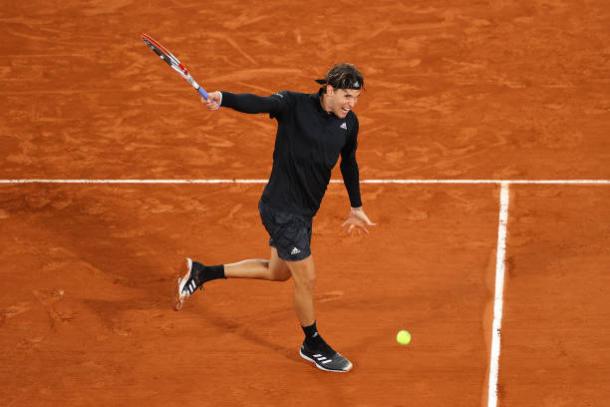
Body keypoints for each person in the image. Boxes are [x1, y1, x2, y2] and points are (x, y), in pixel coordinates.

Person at [176, 63, 375, 373]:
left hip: (303, 212)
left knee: (278, 272)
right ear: (330, 90)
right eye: (348, 96)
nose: (352, 104)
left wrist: (356, 205)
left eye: (357, 98)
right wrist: (223, 98)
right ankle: (312, 342)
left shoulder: (349, 124)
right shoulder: (293, 105)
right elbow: (260, 103)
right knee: (305, 278)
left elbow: (349, 162)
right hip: (282, 210)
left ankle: (202, 273)